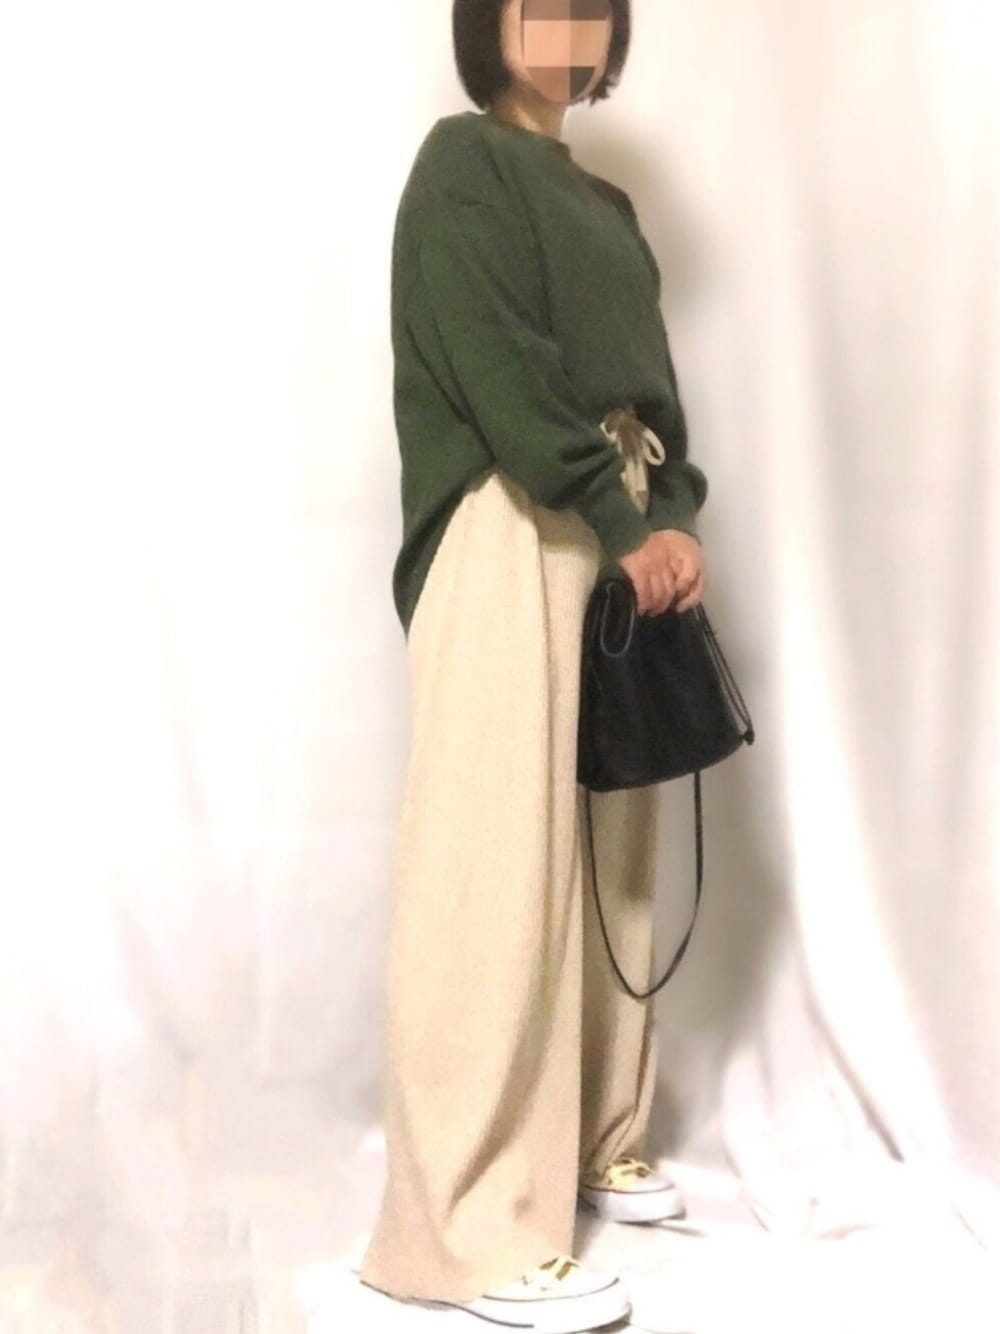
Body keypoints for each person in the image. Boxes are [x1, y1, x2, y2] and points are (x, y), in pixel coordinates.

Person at [359, 2, 709, 1329]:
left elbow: (657, 399)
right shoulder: (464, 167)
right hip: (510, 519)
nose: (569, 24)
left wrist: (673, 515)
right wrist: (619, 515)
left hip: (616, 527)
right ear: (487, 23)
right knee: (492, 861)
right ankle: (459, 1228)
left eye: (591, 7)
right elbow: (501, 369)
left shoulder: (609, 207)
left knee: (615, 853)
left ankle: (591, 1136)